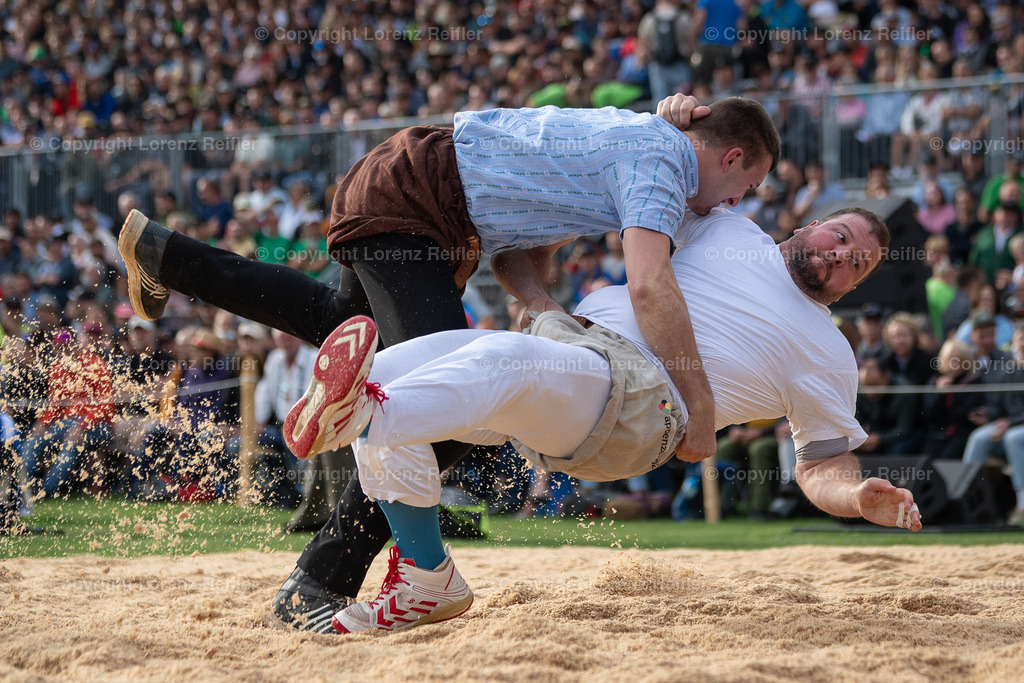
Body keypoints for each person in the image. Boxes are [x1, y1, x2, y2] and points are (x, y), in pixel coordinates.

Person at [118, 95, 781, 632]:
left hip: (412, 185)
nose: (729, 205)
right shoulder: (664, 158)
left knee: (338, 326)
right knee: (454, 407)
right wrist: (701, 408)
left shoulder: (635, 140)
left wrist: (542, 304)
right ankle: (324, 580)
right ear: (730, 156)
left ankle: (166, 254)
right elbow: (649, 285)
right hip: (420, 200)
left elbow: (518, 250)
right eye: (740, 187)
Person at [301, 206, 922, 635]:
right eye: (840, 237)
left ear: (857, 285)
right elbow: (650, 177)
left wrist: (855, 495)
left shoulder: (828, 351)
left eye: (858, 263)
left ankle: (355, 410)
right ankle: (427, 573)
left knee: (493, 359)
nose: (841, 256)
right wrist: (672, 116)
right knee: (395, 373)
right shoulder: (728, 226)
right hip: (573, 349)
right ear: (814, 225)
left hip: (642, 408)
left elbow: (821, 463)